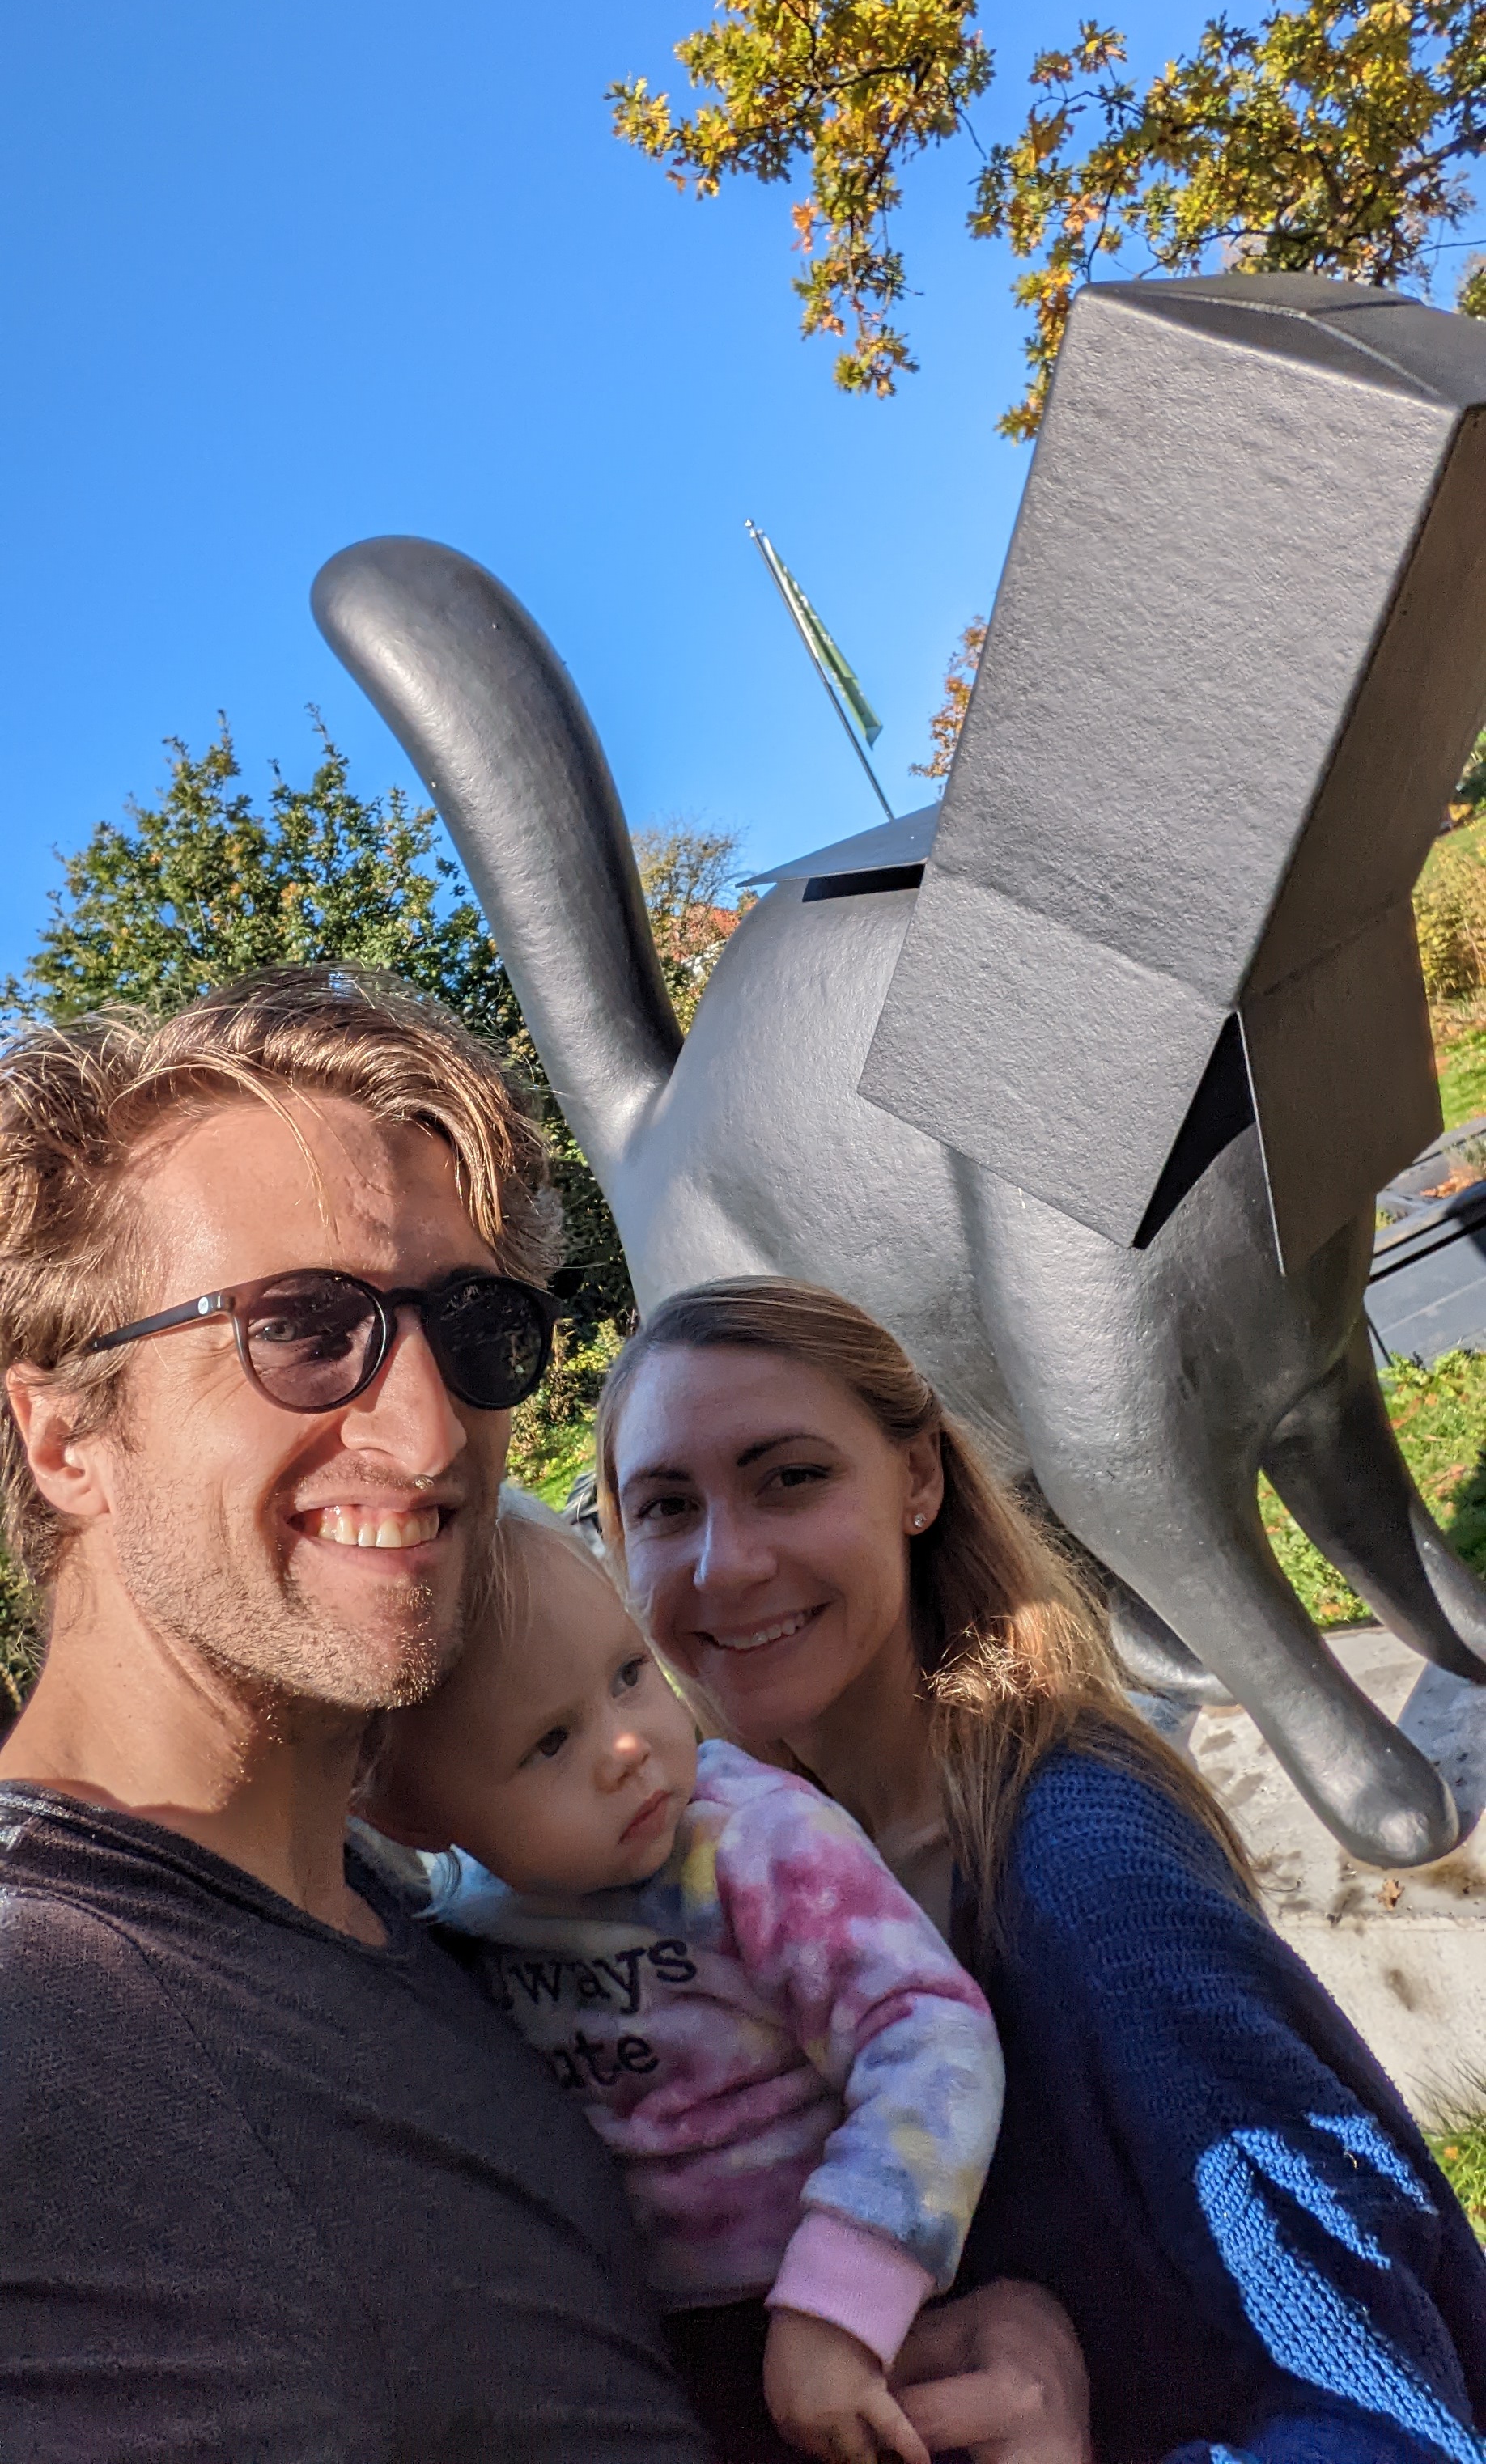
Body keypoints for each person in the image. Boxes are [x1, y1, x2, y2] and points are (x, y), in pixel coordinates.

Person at [0, 967, 1089, 2463]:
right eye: (304, 1327)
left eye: (474, 1326)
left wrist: (1005, 2353)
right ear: (65, 1436)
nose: (434, 1428)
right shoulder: (46, 2007)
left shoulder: (447, 1918)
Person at [594, 1275, 1486, 2464]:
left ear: (918, 1481)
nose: (726, 1563)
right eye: (664, 1506)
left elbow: (1389, 2416)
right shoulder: (752, 1877)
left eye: (790, 1477)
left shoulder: (1085, 1881)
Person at [360, 1491, 1005, 2464]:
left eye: (628, 1675)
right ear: (415, 1818)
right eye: (549, 1742)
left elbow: (930, 2037)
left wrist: (844, 2303)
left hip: (861, 2300)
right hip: (654, 2346)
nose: (627, 1748)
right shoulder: (460, 1919)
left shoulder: (754, 1844)